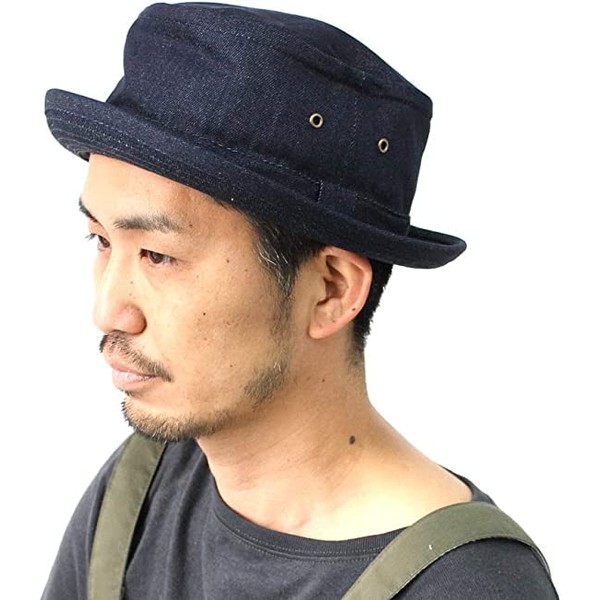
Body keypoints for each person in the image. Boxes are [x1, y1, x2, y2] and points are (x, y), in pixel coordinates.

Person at [41, 3, 558, 598]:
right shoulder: (137, 494)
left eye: (158, 256)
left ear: (331, 290)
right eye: (102, 241)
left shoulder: (469, 587)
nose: (108, 312)